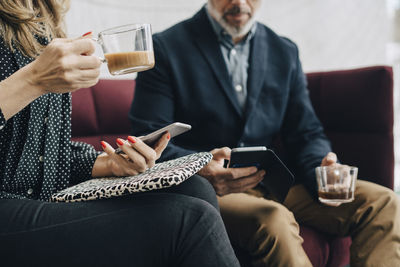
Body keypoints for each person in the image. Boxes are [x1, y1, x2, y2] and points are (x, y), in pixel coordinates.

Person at [128, 0, 400, 266]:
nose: (239, 2)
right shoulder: (165, 48)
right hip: (211, 190)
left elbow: (305, 132)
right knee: (273, 218)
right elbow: (148, 137)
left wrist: (322, 167)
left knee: (384, 203)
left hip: (275, 182)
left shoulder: (284, 50)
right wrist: (200, 167)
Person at [0, 1, 241, 266]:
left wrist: (107, 164)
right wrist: (34, 79)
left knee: (193, 188)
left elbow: (34, 151)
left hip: (35, 197)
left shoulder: (43, 14)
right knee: (190, 221)